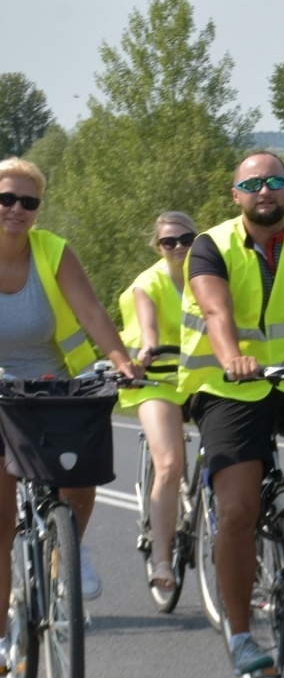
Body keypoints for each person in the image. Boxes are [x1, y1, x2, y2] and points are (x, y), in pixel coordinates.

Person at [179, 152, 284, 675]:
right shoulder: (211, 246)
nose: (264, 190)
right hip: (227, 386)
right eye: (252, 184)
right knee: (237, 510)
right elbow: (215, 311)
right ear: (237, 196)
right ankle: (241, 633)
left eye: (275, 181)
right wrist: (232, 358)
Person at [0, 157, 141, 651]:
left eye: (28, 202)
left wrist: (121, 360)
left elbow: (91, 312)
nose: (16, 209)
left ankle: (68, 547)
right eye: (6, 199)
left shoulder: (53, 252)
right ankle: (3, 634)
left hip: (50, 386)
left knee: (81, 474)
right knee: (0, 519)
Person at [119, 210, 197, 593]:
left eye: (186, 239)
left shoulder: (210, 276)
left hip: (201, 376)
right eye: (169, 242)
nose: (179, 247)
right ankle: (162, 557)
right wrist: (149, 347)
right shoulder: (147, 283)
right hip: (157, 379)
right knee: (169, 463)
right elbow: (148, 327)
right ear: (158, 247)